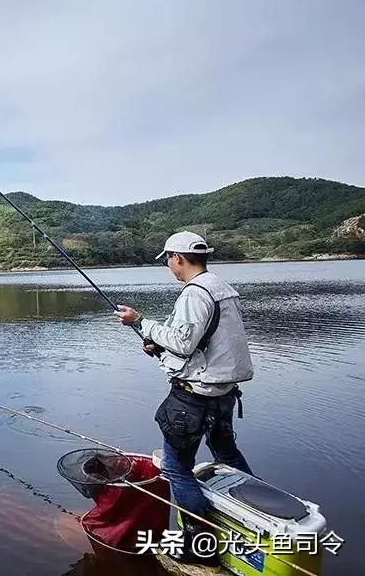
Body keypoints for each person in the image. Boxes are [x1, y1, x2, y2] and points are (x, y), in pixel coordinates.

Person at [114, 231, 254, 564]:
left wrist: (141, 323)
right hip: (223, 394)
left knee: (177, 470)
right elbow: (205, 342)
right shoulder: (220, 288)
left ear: (177, 258)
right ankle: (256, 512)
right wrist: (157, 345)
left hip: (195, 399)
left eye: (168, 260)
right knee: (226, 454)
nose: (169, 266)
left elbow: (183, 342)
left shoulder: (195, 293)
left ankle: (200, 545)